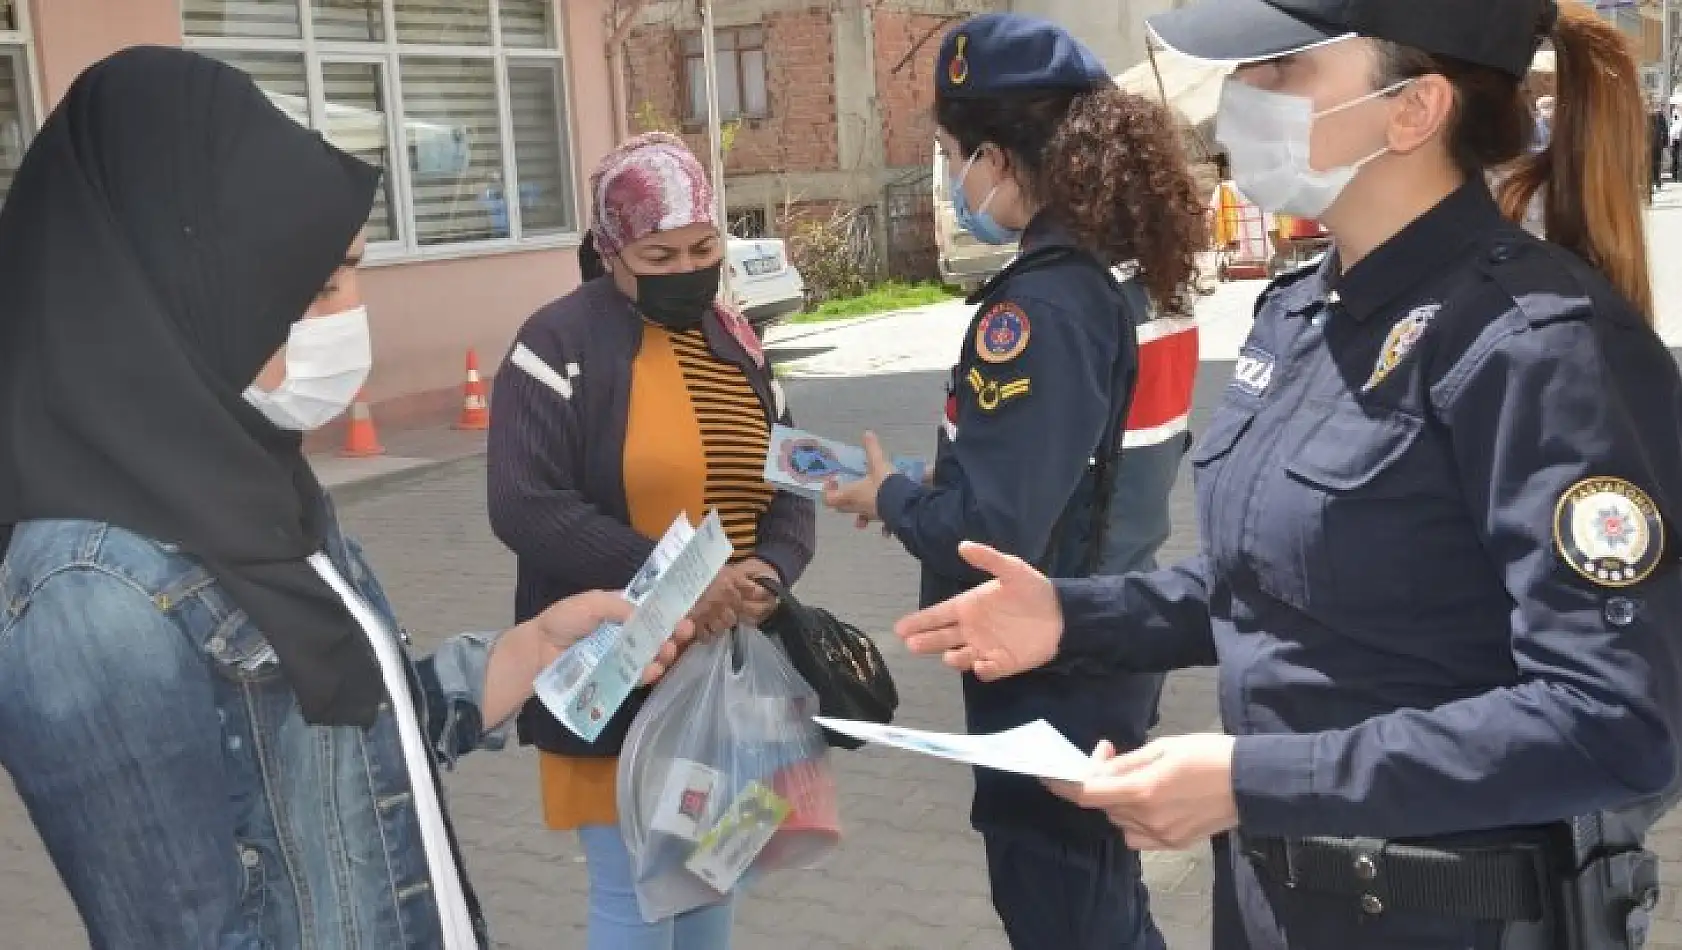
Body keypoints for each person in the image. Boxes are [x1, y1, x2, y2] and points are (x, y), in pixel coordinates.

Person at [892, 1, 1682, 948]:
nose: (1240, 99)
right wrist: (1074, 615)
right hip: (1274, 906)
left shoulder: (1539, 346)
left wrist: (1245, 780)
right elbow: (1268, 587)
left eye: (1281, 71)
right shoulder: (1302, 315)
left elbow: (1615, 723)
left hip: (1443, 918)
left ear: (1413, 108)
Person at [0, 46, 684, 950]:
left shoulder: (246, 479)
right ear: (171, 293)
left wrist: (530, 654)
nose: (350, 314)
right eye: (315, 286)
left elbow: (354, 744)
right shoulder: (90, 594)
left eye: (354, 269)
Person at [823, 14, 1207, 950]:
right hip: (1110, 634)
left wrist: (897, 500)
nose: (956, 180)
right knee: (1103, 901)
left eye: (956, 154)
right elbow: (1078, 466)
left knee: (1064, 912)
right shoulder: (1136, 273)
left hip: (1048, 667)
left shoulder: (1041, 305)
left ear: (997, 156)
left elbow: (995, 523)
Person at [486, 133, 816, 950]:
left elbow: (792, 483)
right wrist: (678, 581)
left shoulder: (738, 341)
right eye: (658, 253)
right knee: (635, 899)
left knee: (711, 884)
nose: (686, 269)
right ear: (611, 252)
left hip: (732, 682)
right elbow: (523, 504)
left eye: (704, 247)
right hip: (613, 670)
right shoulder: (556, 344)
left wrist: (767, 572)